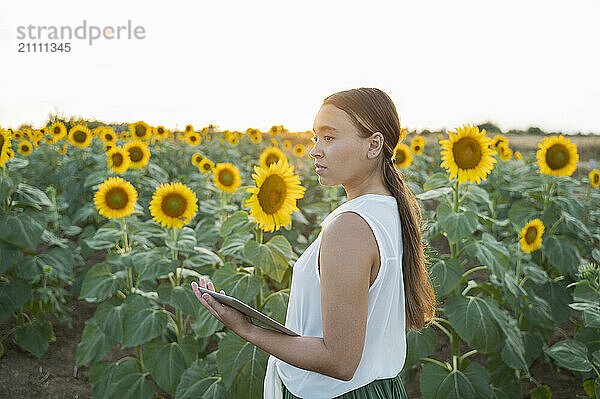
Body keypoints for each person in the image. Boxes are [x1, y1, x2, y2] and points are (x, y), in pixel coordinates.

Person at [191, 87, 436, 398]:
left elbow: (340, 361)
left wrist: (246, 328)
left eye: (329, 138)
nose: (315, 151)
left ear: (374, 145)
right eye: (315, 137)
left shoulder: (351, 226)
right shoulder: (391, 208)